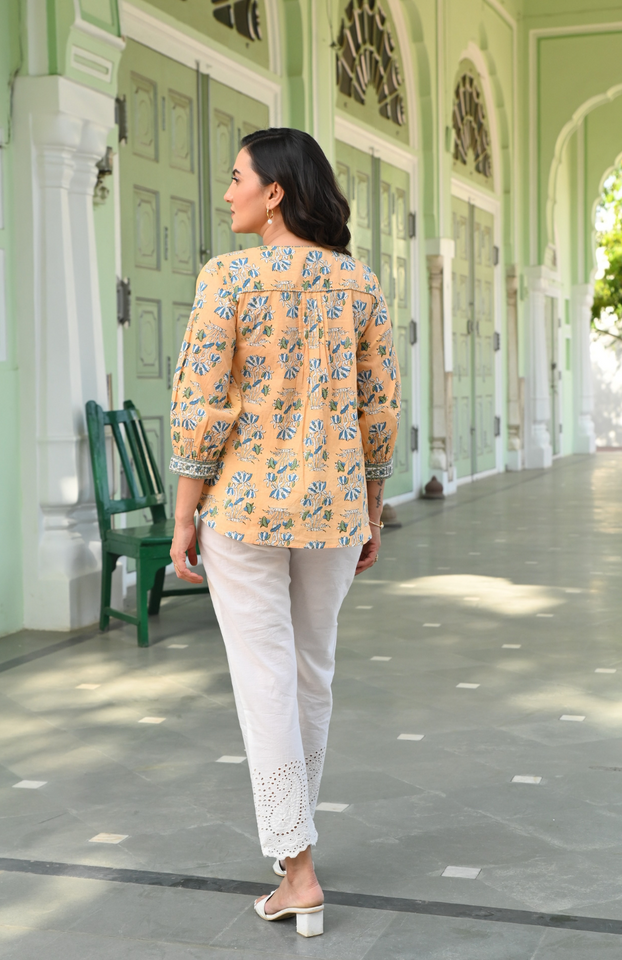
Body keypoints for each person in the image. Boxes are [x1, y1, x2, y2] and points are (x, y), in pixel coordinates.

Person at [168, 127, 400, 937]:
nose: (226, 191)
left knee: (264, 676)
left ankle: (297, 868)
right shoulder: (358, 284)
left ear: (274, 193)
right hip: (335, 506)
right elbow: (379, 407)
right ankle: (293, 854)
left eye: (237, 178)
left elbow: (204, 403)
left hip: (243, 508)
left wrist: (184, 511)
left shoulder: (228, 277)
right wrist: (372, 505)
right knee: (310, 674)